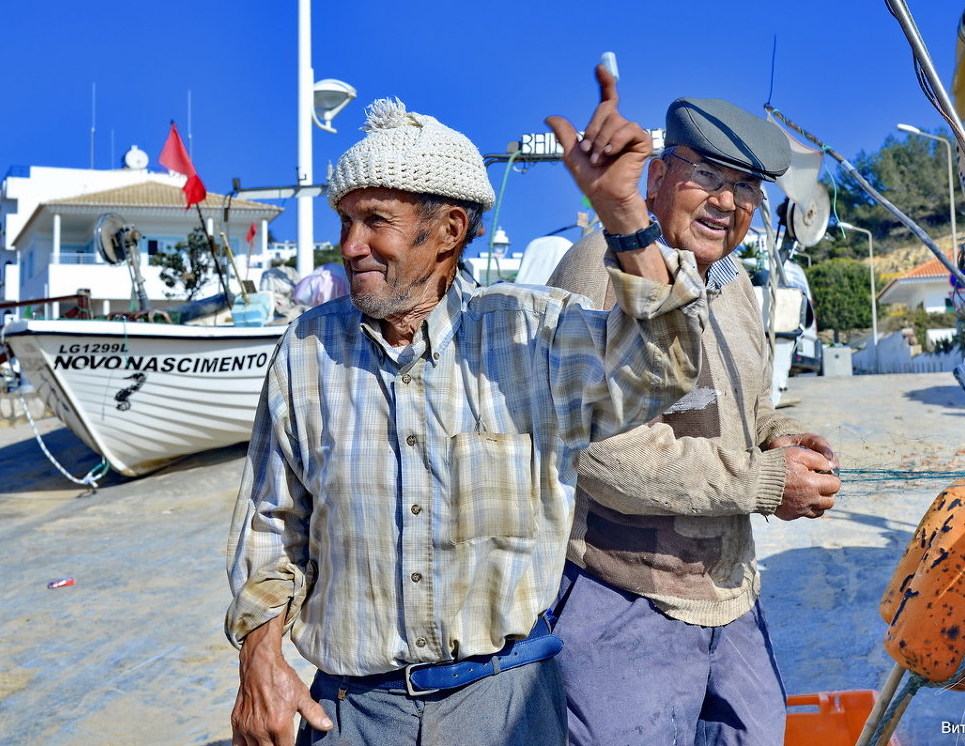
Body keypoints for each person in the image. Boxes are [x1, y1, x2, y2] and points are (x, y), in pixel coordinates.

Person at [225, 74, 710, 746]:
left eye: (375, 222)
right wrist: (260, 659)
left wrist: (624, 214)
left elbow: (665, 367)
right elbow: (271, 529)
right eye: (345, 222)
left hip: (505, 698)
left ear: (449, 230)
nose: (351, 244)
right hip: (351, 709)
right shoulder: (306, 351)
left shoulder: (531, 334)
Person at [547, 94, 842, 746]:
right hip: (622, 597)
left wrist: (777, 441)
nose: (724, 201)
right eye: (705, 175)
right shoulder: (602, 264)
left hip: (729, 593)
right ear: (656, 177)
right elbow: (600, 450)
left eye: (744, 188)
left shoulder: (732, 280)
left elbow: (751, 405)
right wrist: (765, 481)